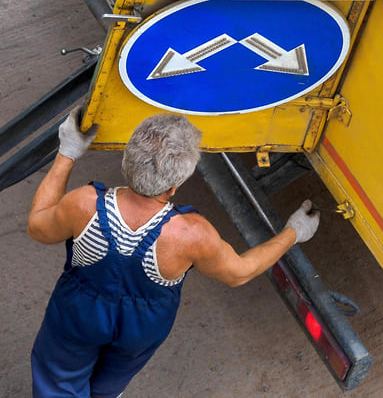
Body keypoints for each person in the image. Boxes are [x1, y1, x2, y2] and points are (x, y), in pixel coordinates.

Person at [27, 110, 320, 398]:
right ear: (175, 184)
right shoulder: (192, 235)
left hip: (78, 314)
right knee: (108, 387)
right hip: (141, 330)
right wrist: (293, 232)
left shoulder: (84, 205)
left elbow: (38, 228)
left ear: (127, 159)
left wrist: (68, 152)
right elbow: (239, 273)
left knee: (57, 383)